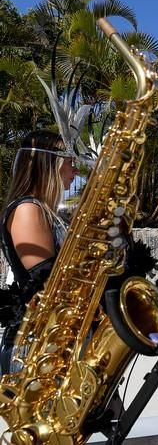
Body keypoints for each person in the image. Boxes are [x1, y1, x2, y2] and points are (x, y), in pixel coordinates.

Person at [0, 130, 78, 374]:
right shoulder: (28, 210)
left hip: (50, 341)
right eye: (69, 163)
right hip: (34, 348)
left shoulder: (46, 211)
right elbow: (47, 282)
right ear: (50, 164)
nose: (75, 171)